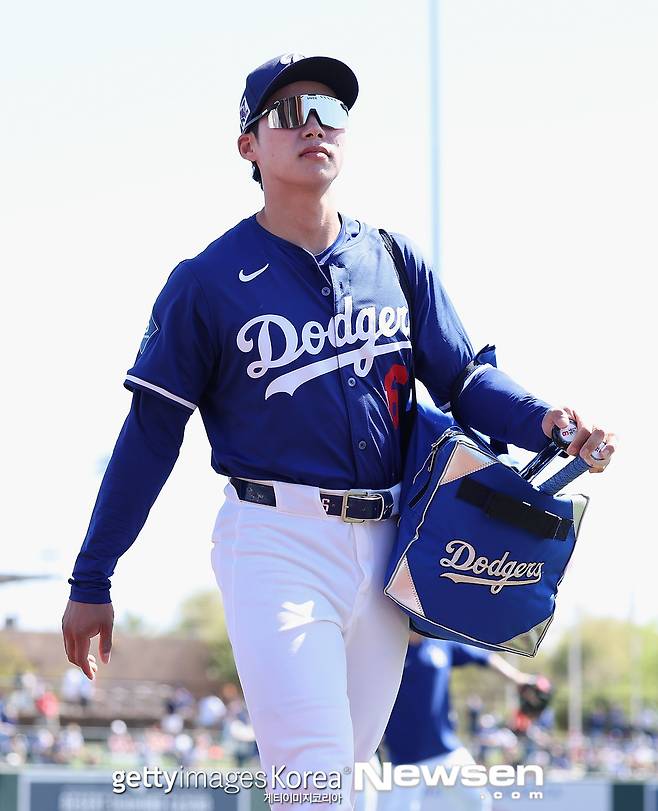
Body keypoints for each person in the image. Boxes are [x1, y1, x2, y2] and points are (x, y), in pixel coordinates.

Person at [61, 52, 616, 810]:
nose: (314, 126)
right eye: (290, 113)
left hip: (389, 546)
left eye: (330, 110)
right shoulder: (207, 280)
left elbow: (463, 380)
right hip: (275, 539)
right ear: (249, 145)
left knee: (341, 782)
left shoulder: (391, 258)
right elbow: (151, 434)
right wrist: (93, 575)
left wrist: (543, 419)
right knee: (318, 779)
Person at [380, 632, 536, 811]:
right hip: (405, 758)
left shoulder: (440, 642)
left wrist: (518, 678)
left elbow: (485, 657)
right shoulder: (387, 646)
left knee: (478, 802)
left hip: (446, 749)